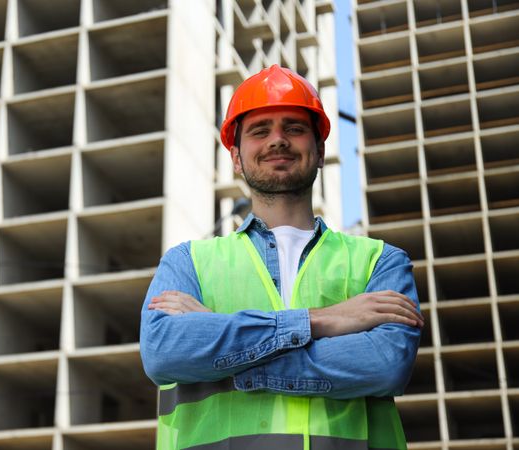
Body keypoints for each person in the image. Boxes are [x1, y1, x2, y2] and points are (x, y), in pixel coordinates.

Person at [140, 65, 422, 450]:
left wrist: (224, 348)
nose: (278, 140)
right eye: (260, 130)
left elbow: (384, 365)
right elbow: (164, 353)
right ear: (237, 158)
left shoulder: (380, 262)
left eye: (293, 128)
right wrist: (321, 320)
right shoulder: (187, 262)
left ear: (320, 151)